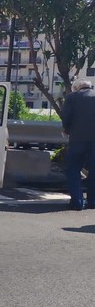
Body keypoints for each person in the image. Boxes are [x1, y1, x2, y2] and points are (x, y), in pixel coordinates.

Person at [61, 78, 95, 210]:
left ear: (77, 88)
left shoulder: (72, 97)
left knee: (73, 170)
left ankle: (77, 202)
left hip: (78, 139)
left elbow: (66, 116)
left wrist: (67, 130)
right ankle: (92, 201)